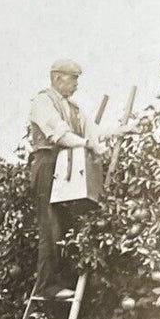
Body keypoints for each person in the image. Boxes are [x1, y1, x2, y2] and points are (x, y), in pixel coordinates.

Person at [26, 59, 105, 301]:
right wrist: (86, 143)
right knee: (50, 224)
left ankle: (62, 280)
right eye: (74, 79)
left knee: (68, 224)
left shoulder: (74, 108)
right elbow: (59, 133)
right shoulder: (43, 101)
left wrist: (120, 132)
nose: (77, 85)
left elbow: (94, 132)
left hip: (67, 167)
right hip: (48, 163)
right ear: (58, 78)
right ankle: (47, 286)